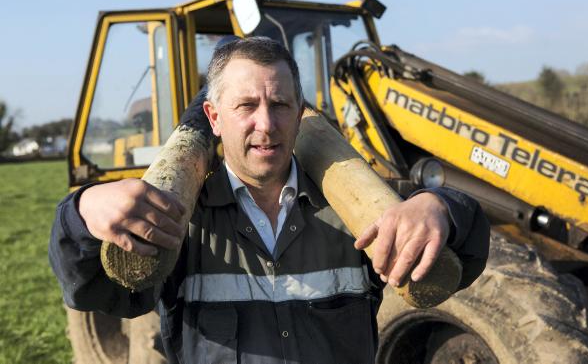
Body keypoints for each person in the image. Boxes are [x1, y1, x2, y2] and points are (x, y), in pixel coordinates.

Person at [49, 36, 490, 364]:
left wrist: (441, 209)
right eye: (246, 106)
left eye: (279, 104)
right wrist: (81, 212)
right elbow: (90, 290)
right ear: (214, 118)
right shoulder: (178, 218)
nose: (266, 124)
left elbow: (466, 248)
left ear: (300, 113)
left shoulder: (356, 207)